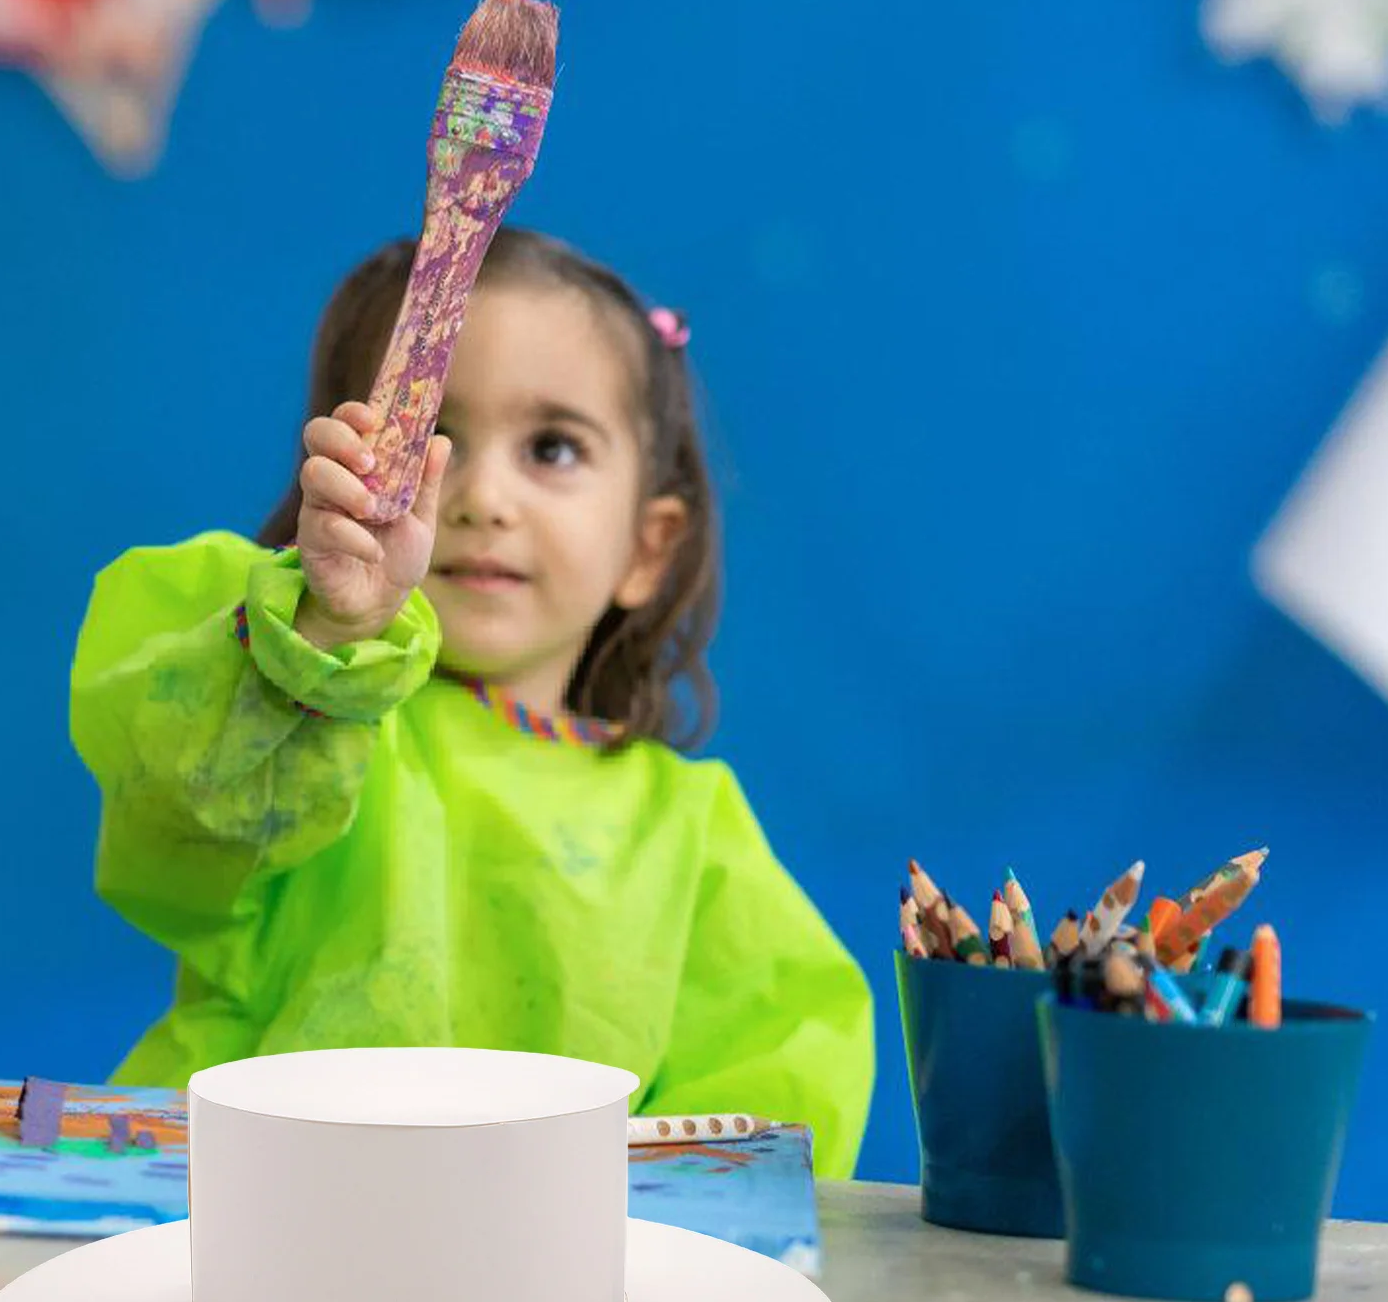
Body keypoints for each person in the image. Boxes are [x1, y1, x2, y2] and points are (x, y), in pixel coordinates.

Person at [70, 227, 875, 1177]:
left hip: (541, 1281)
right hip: (247, 1219)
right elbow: (179, 794)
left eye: (553, 448)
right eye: (424, 440)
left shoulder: (689, 834)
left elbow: (772, 1088)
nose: (482, 496)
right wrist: (322, 640)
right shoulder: (305, 716)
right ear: (330, 483)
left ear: (649, 547)